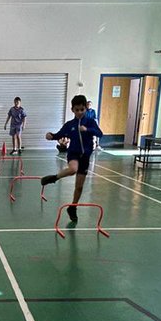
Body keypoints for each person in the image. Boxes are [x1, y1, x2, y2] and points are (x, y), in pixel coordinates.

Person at [41, 94, 103, 224]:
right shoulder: (70, 125)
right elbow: (59, 134)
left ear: (85, 108)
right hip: (73, 153)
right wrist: (50, 136)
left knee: (79, 187)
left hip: (85, 156)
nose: (80, 112)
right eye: (77, 110)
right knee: (73, 169)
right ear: (72, 110)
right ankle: (54, 178)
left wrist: (87, 129)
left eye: (82, 109)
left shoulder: (90, 122)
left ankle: (73, 207)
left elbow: (100, 133)